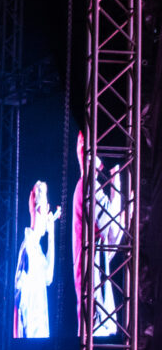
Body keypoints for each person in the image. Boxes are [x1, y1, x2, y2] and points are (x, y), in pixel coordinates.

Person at [72, 131, 125, 338]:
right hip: (94, 293)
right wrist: (116, 183)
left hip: (94, 289)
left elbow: (109, 240)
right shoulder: (88, 186)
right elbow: (112, 229)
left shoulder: (86, 186)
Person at [14, 181, 60, 339]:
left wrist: (51, 234)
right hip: (30, 337)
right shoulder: (28, 247)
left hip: (40, 335)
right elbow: (17, 298)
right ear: (39, 209)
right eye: (45, 207)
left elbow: (48, 277)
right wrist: (18, 341)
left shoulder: (37, 249)